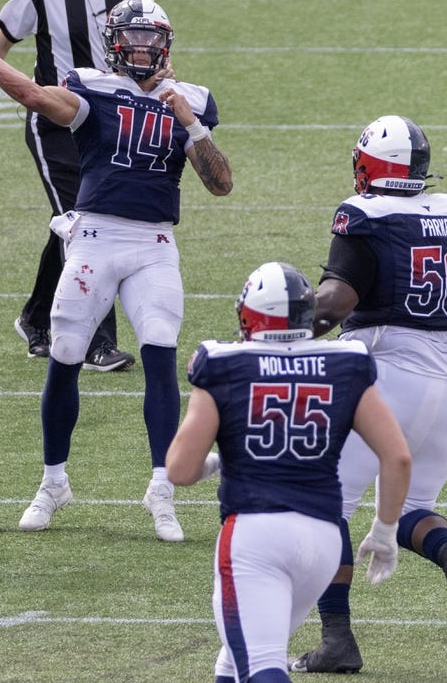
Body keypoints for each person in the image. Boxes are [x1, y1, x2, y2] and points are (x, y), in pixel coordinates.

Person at [0, 0, 233, 541]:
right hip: (95, 237)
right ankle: (53, 481)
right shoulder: (91, 86)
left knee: (159, 348)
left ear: (166, 45)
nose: (144, 48)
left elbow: (220, 184)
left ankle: (162, 489)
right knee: (67, 351)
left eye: (153, 39)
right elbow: (31, 94)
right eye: (135, 38)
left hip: (154, 242)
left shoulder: (191, 99)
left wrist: (192, 126)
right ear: (115, 44)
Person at [291, 115, 447, 673]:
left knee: (326, 502)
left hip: (387, 372)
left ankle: (337, 640)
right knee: (410, 507)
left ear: (369, 165)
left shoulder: (365, 213)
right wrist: (433, 349)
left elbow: (334, 305)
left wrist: (280, 337)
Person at [167, 261, 412, 683]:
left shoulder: (223, 364)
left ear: (248, 316)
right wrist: (386, 530)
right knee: (233, 661)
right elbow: (398, 457)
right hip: (322, 541)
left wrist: (218, 462)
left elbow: (179, 469)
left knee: (261, 665)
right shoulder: (345, 362)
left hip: (256, 536)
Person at [0, 0, 151, 372]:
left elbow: (154, 46)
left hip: (108, 125)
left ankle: (35, 317)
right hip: (56, 123)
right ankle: (98, 343)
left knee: (73, 220)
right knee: (88, 221)